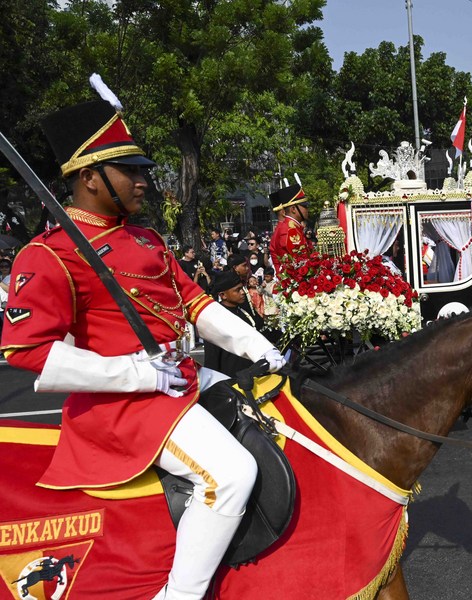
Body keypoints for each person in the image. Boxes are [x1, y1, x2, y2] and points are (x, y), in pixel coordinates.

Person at [0, 94, 286, 600]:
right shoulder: (47, 254)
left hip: (179, 381)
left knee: (278, 409)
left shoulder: (148, 239)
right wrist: (139, 374)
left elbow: (197, 305)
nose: (143, 181)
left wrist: (260, 346)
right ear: (89, 177)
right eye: (129, 170)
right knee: (232, 474)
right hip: (124, 405)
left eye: (142, 169)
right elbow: (27, 351)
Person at [203, 271, 266, 377]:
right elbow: (212, 360)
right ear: (223, 295)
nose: (242, 292)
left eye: (242, 288)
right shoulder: (215, 319)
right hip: (230, 380)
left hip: (251, 376)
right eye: (237, 290)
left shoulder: (243, 311)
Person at [268, 182, 310, 274]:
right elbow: (299, 262)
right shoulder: (290, 230)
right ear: (293, 209)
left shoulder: (293, 227)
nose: (307, 209)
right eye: (304, 206)